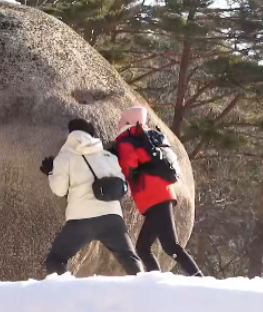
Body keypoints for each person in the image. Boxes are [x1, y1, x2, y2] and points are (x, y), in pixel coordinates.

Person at [40, 118, 143, 276]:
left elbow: (59, 190)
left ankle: (62, 295)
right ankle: (146, 290)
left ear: (71, 135)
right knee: (130, 259)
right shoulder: (108, 156)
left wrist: (51, 172)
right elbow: (124, 185)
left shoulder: (66, 156)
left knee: (56, 259)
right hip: (112, 218)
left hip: (82, 220)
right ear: (92, 135)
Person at [115, 106, 203, 276]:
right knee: (154, 246)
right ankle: (161, 279)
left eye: (121, 119)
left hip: (153, 196)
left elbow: (129, 166)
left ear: (127, 121)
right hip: (162, 193)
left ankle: (197, 277)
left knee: (164, 246)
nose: (118, 123)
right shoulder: (148, 136)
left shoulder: (128, 139)